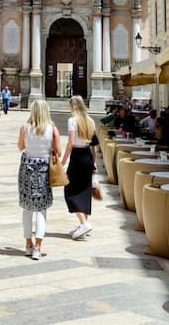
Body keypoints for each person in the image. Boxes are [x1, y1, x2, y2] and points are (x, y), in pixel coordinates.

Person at [18, 100, 59, 260]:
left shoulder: (24, 128)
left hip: (27, 169)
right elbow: (58, 151)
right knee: (41, 209)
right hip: (44, 170)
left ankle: (28, 244)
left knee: (27, 208)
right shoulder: (52, 129)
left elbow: (20, 147)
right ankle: (38, 247)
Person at [62, 96, 99, 239]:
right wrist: (94, 162)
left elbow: (71, 142)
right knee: (85, 191)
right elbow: (94, 146)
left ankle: (84, 223)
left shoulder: (72, 121)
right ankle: (83, 226)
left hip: (77, 157)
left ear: (73, 106)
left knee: (70, 190)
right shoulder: (90, 121)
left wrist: (63, 161)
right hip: (87, 156)